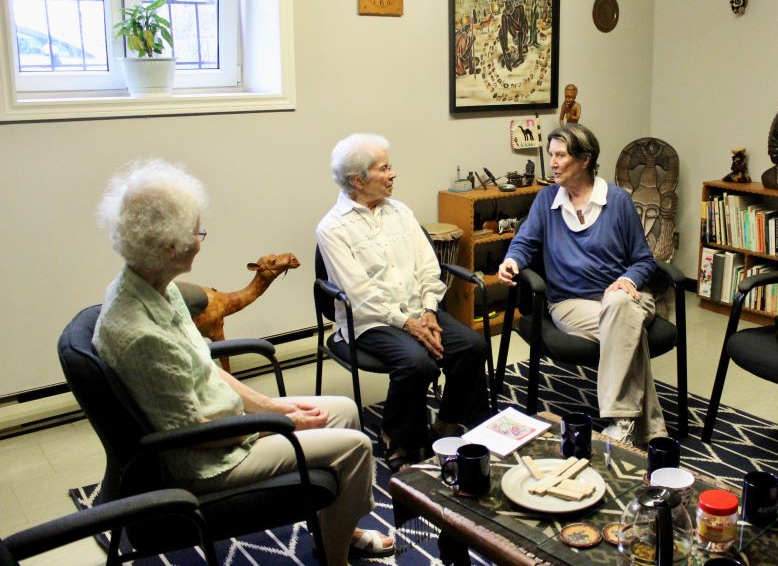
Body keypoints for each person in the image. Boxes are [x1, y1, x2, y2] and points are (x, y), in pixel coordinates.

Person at [93, 158, 392, 566]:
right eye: (196, 232)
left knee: (341, 410)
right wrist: (279, 423)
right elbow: (195, 434)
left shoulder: (154, 287)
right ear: (168, 246)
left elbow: (204, 366)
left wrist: (276, 407)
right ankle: (335, 556)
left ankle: (335, 524)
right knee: (355, 447)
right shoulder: (141, 335)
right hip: (209, 461)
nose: (202, 240)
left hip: (223, 426)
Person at [316, 133, 490, 471]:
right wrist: (409, 324)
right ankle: (397, 437)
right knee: (417, 362)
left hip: (417, 311)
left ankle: (448, 423)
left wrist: (428, 310)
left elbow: (429, 267)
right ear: (358, 179)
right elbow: (359, 295)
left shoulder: (401, 212)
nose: (393, 174)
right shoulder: (332, 228)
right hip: (370, 321)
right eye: (384, 168)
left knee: (473, 346)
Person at [498, 124, 666, 445]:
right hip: (570, 303)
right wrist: (512, 261)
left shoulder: (616, 201)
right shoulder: (547, 200)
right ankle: (643, 428)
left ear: (585, 159)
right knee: (630, 330)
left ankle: (621, 421)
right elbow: (524, 242)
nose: (554, 163)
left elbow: (644, 260)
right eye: (551, 155)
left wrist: (626, 279)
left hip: (626, 296)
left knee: (619, 306)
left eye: (561, 155)